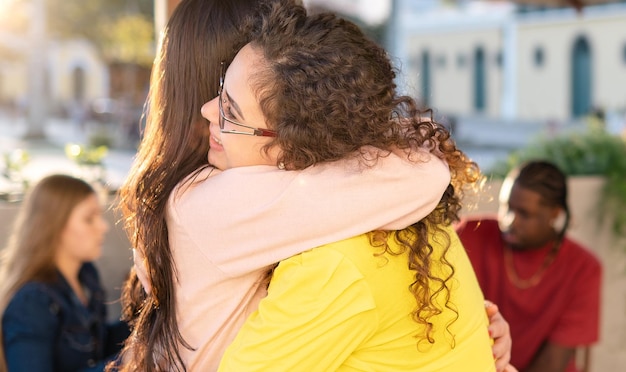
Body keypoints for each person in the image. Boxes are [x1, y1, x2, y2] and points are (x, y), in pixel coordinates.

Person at [117, 0, 513, 370]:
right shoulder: (211, 203)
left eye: (231, 107)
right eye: (222, 94)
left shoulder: (308, 231)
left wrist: (468, 335)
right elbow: (420, 175)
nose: (211, 112)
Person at [456, 160, 602, 372]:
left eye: (524, 214)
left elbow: (553, 363)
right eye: (506, 207)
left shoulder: (584, 268)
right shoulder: (470, 234)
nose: (509, 221)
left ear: (554, 214)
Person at [0, 174, 130, 372]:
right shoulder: (32, 302)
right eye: (89, 219)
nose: (103, 227)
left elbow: (98, 345)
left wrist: (145, 318)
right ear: (55, 226)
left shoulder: (87, 276)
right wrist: (124, 363)